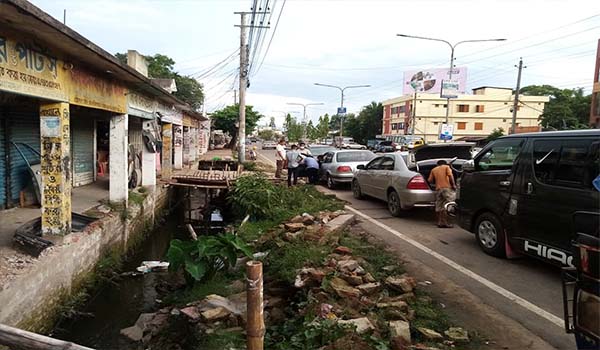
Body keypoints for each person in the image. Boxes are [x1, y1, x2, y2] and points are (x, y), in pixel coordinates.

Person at [427, 160, 456, 228]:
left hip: (438, 189)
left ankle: (439, 222)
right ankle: (445, 223)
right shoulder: (446, 167)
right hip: (447, 188)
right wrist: (453, 185)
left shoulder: (434, 169)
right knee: (447, 205)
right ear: (445, 163)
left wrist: (435, 184)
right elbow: (450, 176)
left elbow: (429, 180)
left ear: (437, 164)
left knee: (439, 206)